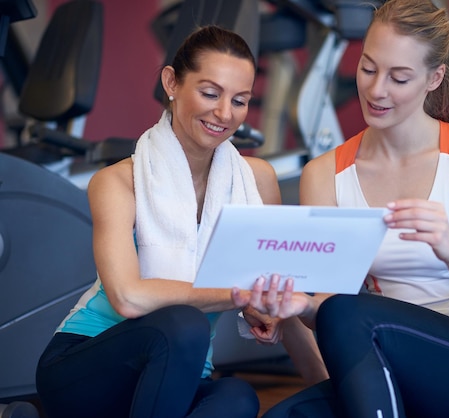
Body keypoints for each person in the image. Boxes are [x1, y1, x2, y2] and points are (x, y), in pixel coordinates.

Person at [232, 0, 449, 417]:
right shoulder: (326, 174)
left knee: (350, 313)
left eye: (399, 78)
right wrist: (299, 307)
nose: (377, 90)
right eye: (368, 68)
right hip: (394, 367)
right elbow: (331, 309)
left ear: (434, 78)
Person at [35, 25, 324, 418]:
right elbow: (127, 297)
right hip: (84, 366)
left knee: (238, 399)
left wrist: (333, 391)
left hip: (179, 374)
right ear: (171, 82)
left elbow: (276, 294)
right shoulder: (118, 181)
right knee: (185, 324)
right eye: (210, 93)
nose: (224, 113)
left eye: (240, 100)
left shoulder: (255, 181)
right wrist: (239, 295)